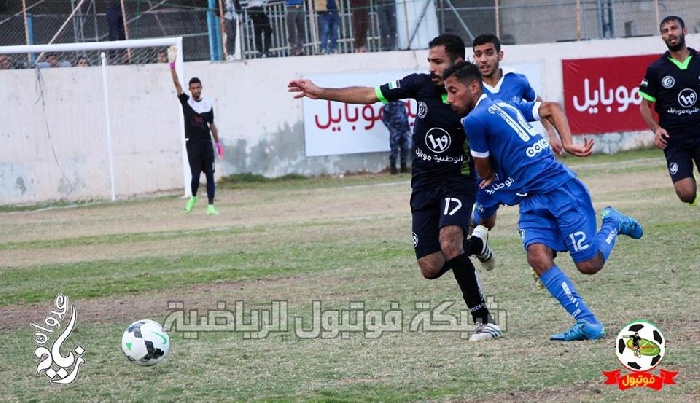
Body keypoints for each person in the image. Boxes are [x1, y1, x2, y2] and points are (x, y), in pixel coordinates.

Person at [288, 34, 501, 341]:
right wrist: (321, 92)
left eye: (438, 61)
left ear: (457, 62)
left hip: (457, 181)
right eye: (429, 60)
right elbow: (369, 95)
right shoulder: (419, 85)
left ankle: (483, 319)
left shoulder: (472, 97)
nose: (431, 67)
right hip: (424, 183)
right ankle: (476, 245)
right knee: (430, 266)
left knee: (450, 241)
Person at [443, 60, 644, 341]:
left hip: (558, 188)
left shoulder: (474, 120)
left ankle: (612, 222)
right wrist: (567, 140)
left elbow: (485, 172)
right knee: (537, 256)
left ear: (474, 87)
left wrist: (483, 194)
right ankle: (587, 322)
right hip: (530, 197)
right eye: (446, 93)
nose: (450, 99)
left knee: (589, 265)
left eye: (453, 91)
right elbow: (551, 108)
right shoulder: (501, 104)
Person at [639, 15, 700, 206]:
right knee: (687, 194)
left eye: (674, 28)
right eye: (665, 31)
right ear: (662, 37)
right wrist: (656, 129)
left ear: (684, 31)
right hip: (675, 140)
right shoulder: (656, 69)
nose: (670, 33)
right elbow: (644, 106)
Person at [167, 46, 223, 215]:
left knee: (211, 176)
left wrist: (217, 142)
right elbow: (176, 83)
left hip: (206, 143)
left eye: (199, 87)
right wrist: (172, 65)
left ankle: (211, 206)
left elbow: (212, 124)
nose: (197, 90)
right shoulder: (186, 102)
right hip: (192, 144)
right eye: (194, 88)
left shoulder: (208, 105)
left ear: (201, 88)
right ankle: (193, 197)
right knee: (195, 177)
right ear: (190, 90)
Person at [381, 100, 411, 174]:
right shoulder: (388, 105)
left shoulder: (401, 104)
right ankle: (393, 168)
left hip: (404, 130)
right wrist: (391, 129)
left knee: (405, 149)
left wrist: (408, 129)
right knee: (394, 150)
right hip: (395, 130)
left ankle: (403, 167)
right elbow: (385, 119)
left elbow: (405, 116)